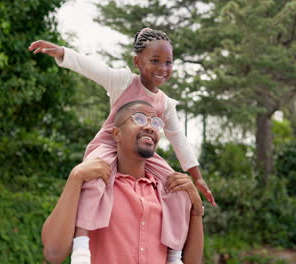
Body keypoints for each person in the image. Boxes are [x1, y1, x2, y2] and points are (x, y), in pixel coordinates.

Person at [29, 28, 214, 263]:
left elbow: (178, 138)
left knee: (176, 188)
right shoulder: (124, 82)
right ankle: (82, 246)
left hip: (148, 156)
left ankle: (174, 255)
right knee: (95, 179)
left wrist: (196, 178)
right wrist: (63, 53)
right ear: (137, 61)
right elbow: (94, 68)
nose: (162, 68)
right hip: (107, 145)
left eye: (168, 62)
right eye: (155, 60)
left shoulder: (165, 103)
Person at [41, 101, 204, 264]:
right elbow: (53, 254)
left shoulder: (168, 193)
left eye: (155, 122)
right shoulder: (95, 188)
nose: (150, 127)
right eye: (139, 119)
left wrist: (196, 210)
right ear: (116, 134)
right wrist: (75, 178)